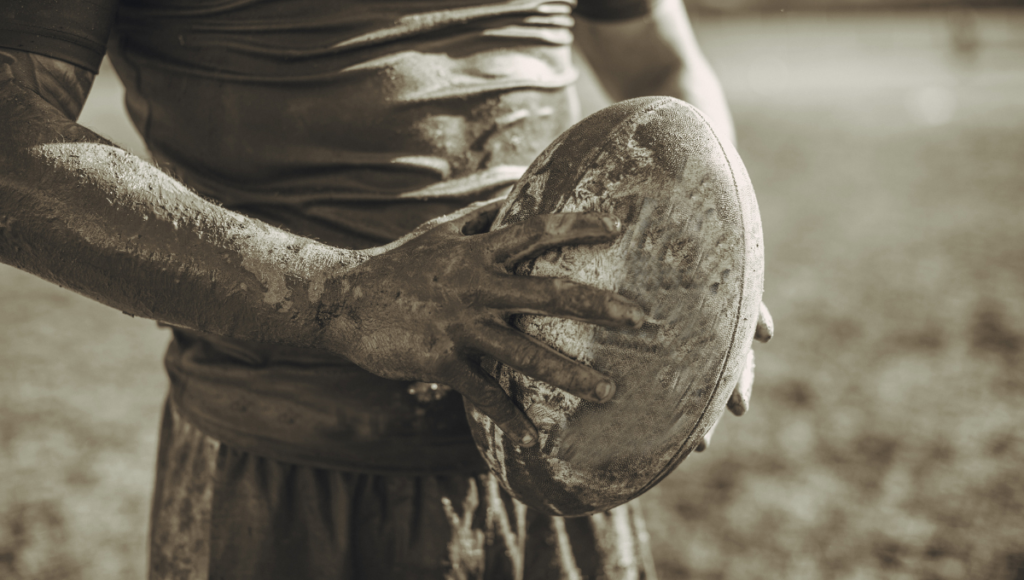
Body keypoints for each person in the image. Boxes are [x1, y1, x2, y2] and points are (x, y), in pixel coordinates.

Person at [0, 0, 770, 577]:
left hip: (561, 458)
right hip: (281, 472)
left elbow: (657, 58)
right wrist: (338, 296)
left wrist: (714, 253)